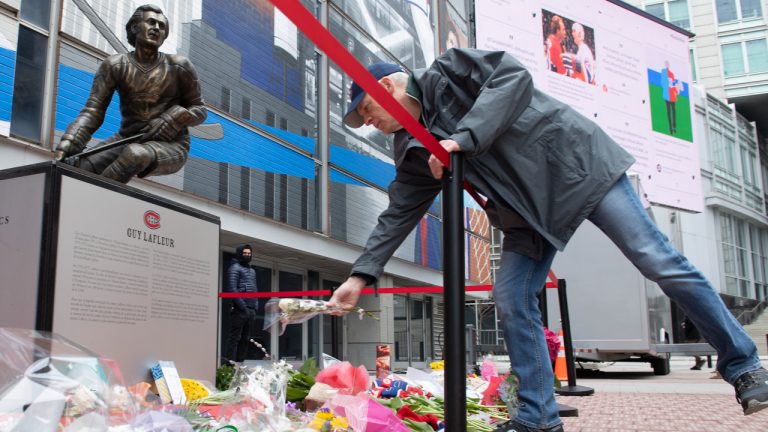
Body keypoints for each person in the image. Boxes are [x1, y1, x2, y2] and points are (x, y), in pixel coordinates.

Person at [327, 48, 768, 431]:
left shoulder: (450, 71)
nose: (369, 123)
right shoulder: (413, 148)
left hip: (575, 169)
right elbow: (399, 211)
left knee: (655, 258)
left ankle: (745, 368)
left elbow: (513, 79)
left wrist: (462, 138)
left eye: (367, 110)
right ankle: (538, 417)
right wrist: (361, 276)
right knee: (512, 296)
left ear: (386, 85)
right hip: (525, 217)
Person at [54, 4, 207, 183]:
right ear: (134, 27)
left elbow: (200, 109)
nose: (156, 28)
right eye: (151, 22)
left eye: (161, 26)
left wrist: (175, 118)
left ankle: (96, 200)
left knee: (135, 155)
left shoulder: (179, 66)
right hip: (126, 138)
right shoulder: (115, 65)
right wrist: (70, 143)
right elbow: (93, 111)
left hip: (171, 145)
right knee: (74, 168)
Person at [224, 244, 259, 363]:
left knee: (246, 338)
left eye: (249, 254)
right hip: (240, 309)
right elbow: (232, 289)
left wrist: (255, 306)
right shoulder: (234, 268)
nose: (248, 256)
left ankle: (240, 364)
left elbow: (255, 289)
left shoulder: (252, 271)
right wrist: (242, 306)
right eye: (245, 253)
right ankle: (229, 365)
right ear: (240, 253)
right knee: (235, 338)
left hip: (251, 309)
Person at [661, 60, 678, 134]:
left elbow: (673, 84)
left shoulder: (671, 73)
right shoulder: (663, 72)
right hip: (667, 94)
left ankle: (674, 127)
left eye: (668, 64)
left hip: (672, 95)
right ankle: (670, 128)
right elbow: (662, 82)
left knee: (673, 111)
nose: (667, 65)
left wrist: (675, 89)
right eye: (666, 64)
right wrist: (666, 84)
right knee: (668, 111)